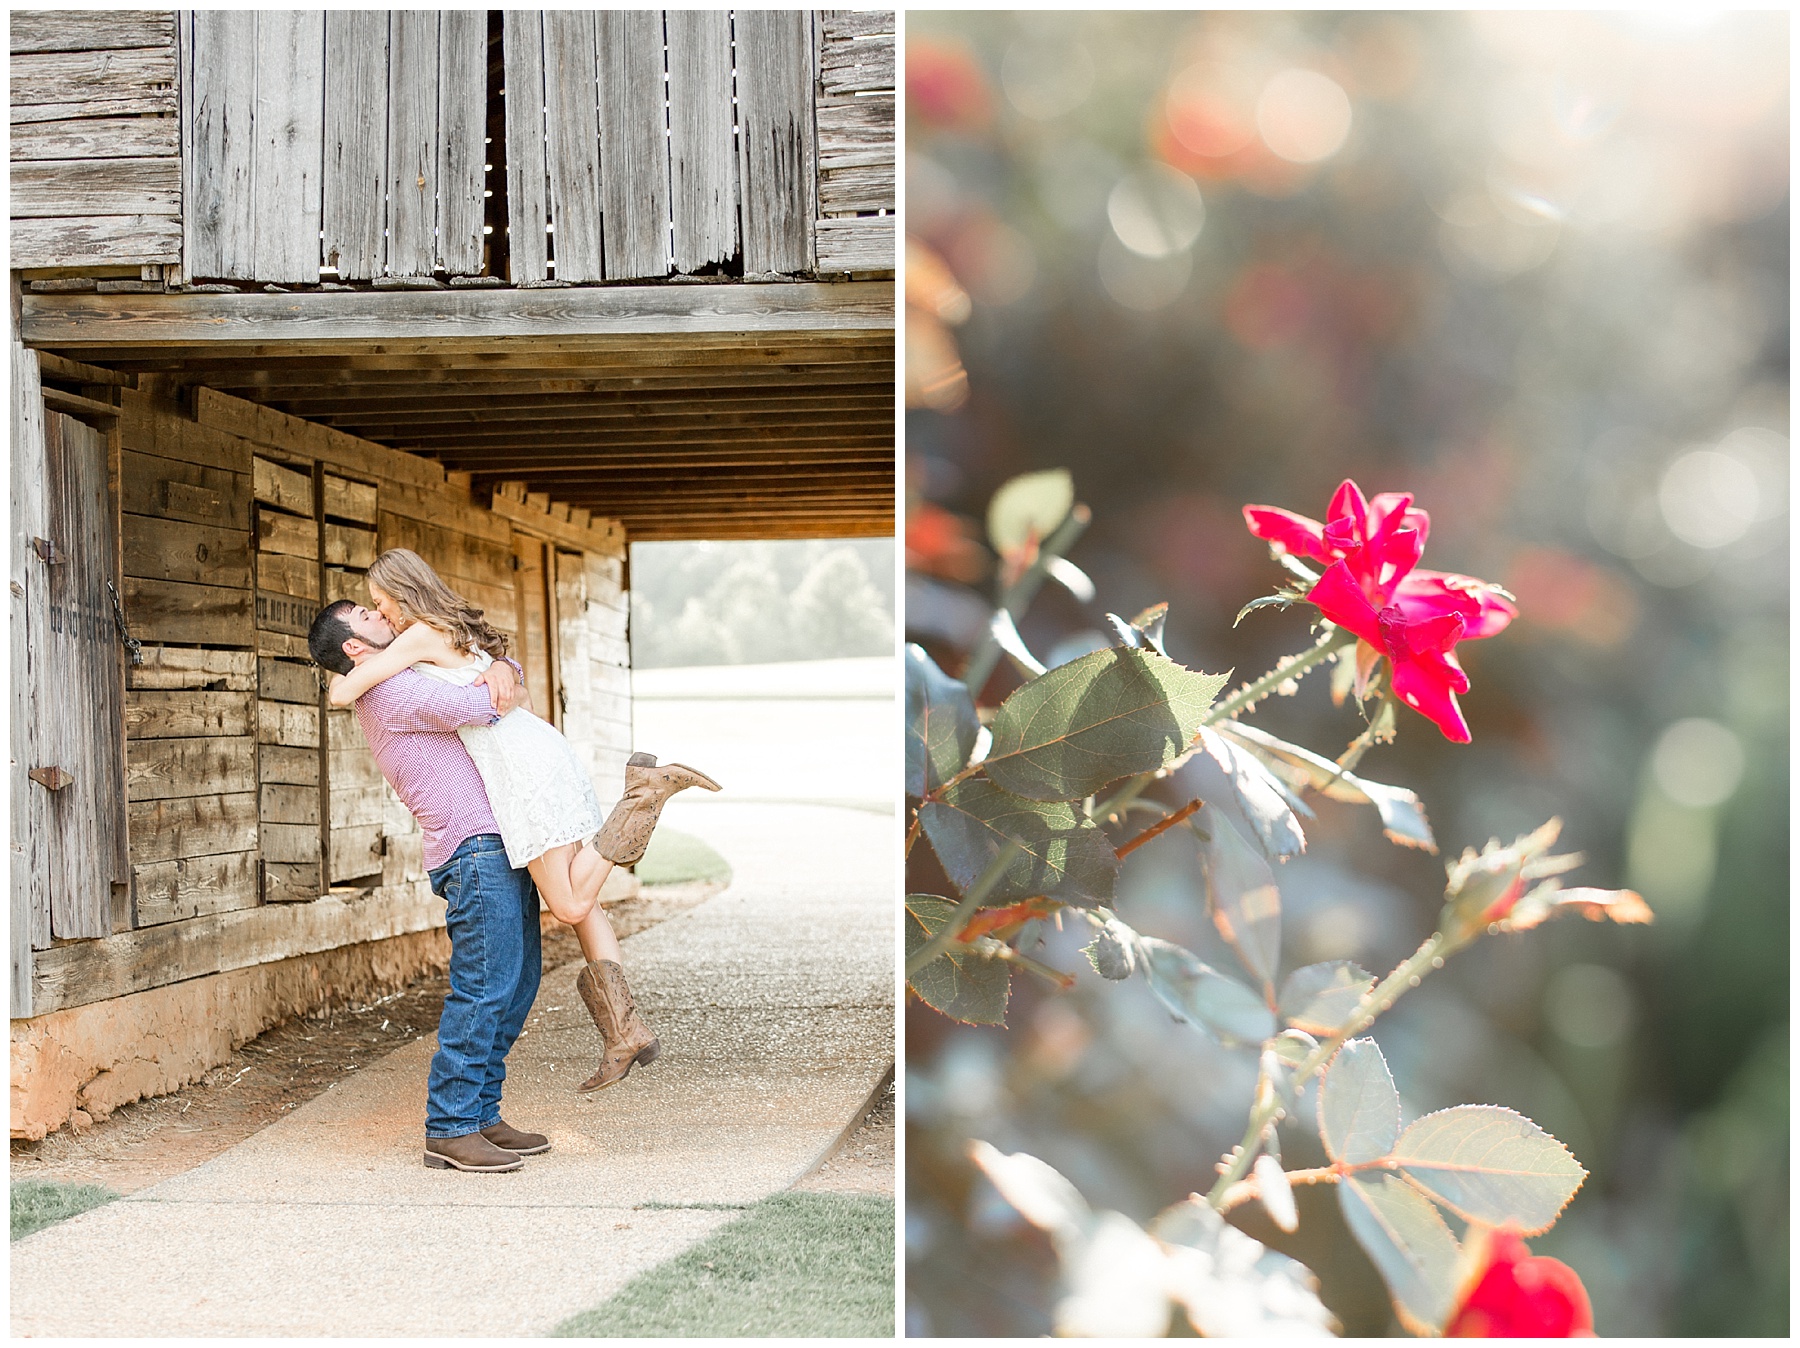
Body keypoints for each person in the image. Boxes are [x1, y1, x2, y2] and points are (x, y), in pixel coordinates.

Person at [306, 552, 718, 1174]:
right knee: (484, 986)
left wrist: (502, 664)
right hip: (472, 849)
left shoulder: (403, 669)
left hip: (498, 842)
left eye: (378, 605)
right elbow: (480, 704)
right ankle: (450, 1127)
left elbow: (488, 676)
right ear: (355, 649)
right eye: (368, 615)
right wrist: (499, 672)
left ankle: (480, 1112)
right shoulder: (388, 690)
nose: (382, 614)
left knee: (517, 983)